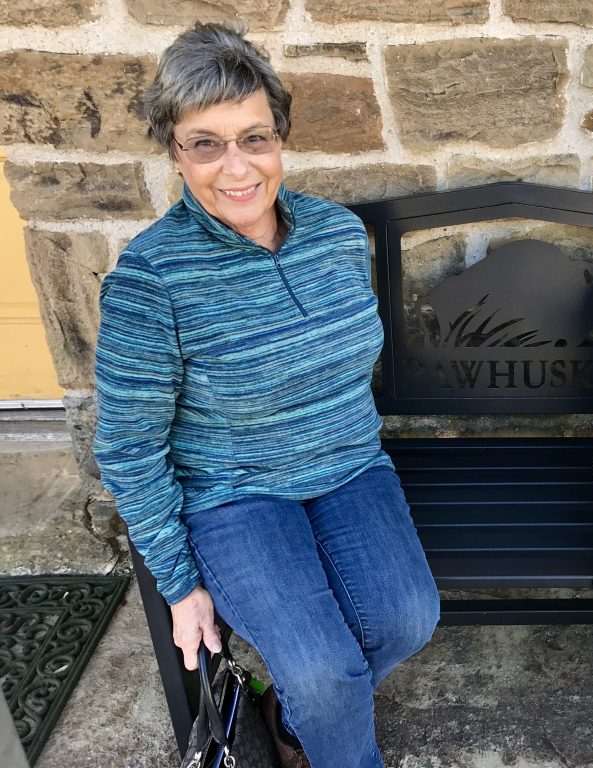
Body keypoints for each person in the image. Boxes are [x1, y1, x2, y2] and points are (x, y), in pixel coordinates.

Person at [93, 23, 440, 768]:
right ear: (175, 151)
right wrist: (178, 581)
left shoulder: (336, 234)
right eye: (205, 143)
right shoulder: (151, 280)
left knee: (408, 619)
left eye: (254, 138)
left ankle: (293, 711)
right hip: (233, 494)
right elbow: (128, 447)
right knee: (323, 670)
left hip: (349, 465)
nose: (236, 167)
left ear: (280, 137)